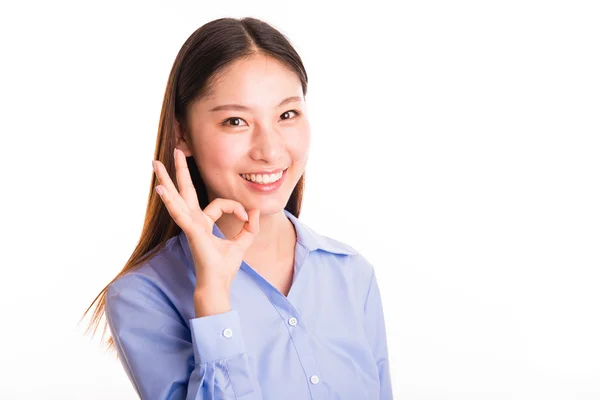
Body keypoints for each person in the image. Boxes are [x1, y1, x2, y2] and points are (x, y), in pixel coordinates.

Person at [83, 16, 393, 400]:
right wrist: (212, 299)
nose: (270, 150)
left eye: (287, 115)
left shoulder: (351, 274)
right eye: (235, 121)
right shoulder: (143, 297)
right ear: (183, 134)